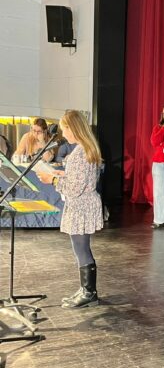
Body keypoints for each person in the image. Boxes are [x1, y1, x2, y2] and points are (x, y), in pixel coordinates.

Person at [37, 111, 103, 309]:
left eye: (64, 129)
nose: (63, 133)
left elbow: (75, 189)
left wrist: (52, 179)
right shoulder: (86, 148)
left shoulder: (80, 153)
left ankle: (89, 293)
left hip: (80, 206)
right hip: (84, 204)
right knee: (82, 248)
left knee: (81, 249)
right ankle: (86, 290)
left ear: (73, 128)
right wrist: (63, 174)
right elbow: (81, 179)